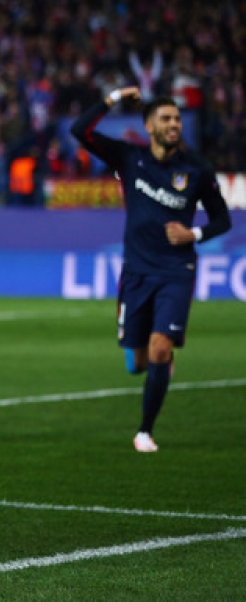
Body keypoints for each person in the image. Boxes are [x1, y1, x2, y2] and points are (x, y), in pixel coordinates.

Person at [70, 86, 231, 453]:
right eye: (166, 119)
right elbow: (81, 131)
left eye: (176, 119)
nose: (174, 124)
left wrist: (195, 232)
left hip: (177, 269)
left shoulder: (196, 171)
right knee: (136, 363)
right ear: (148, 126)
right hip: (136, 272)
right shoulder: (129, 158)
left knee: (159, 347)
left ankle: (145, 431)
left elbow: (223, 219)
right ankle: (154, 360)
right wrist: (111, 98)